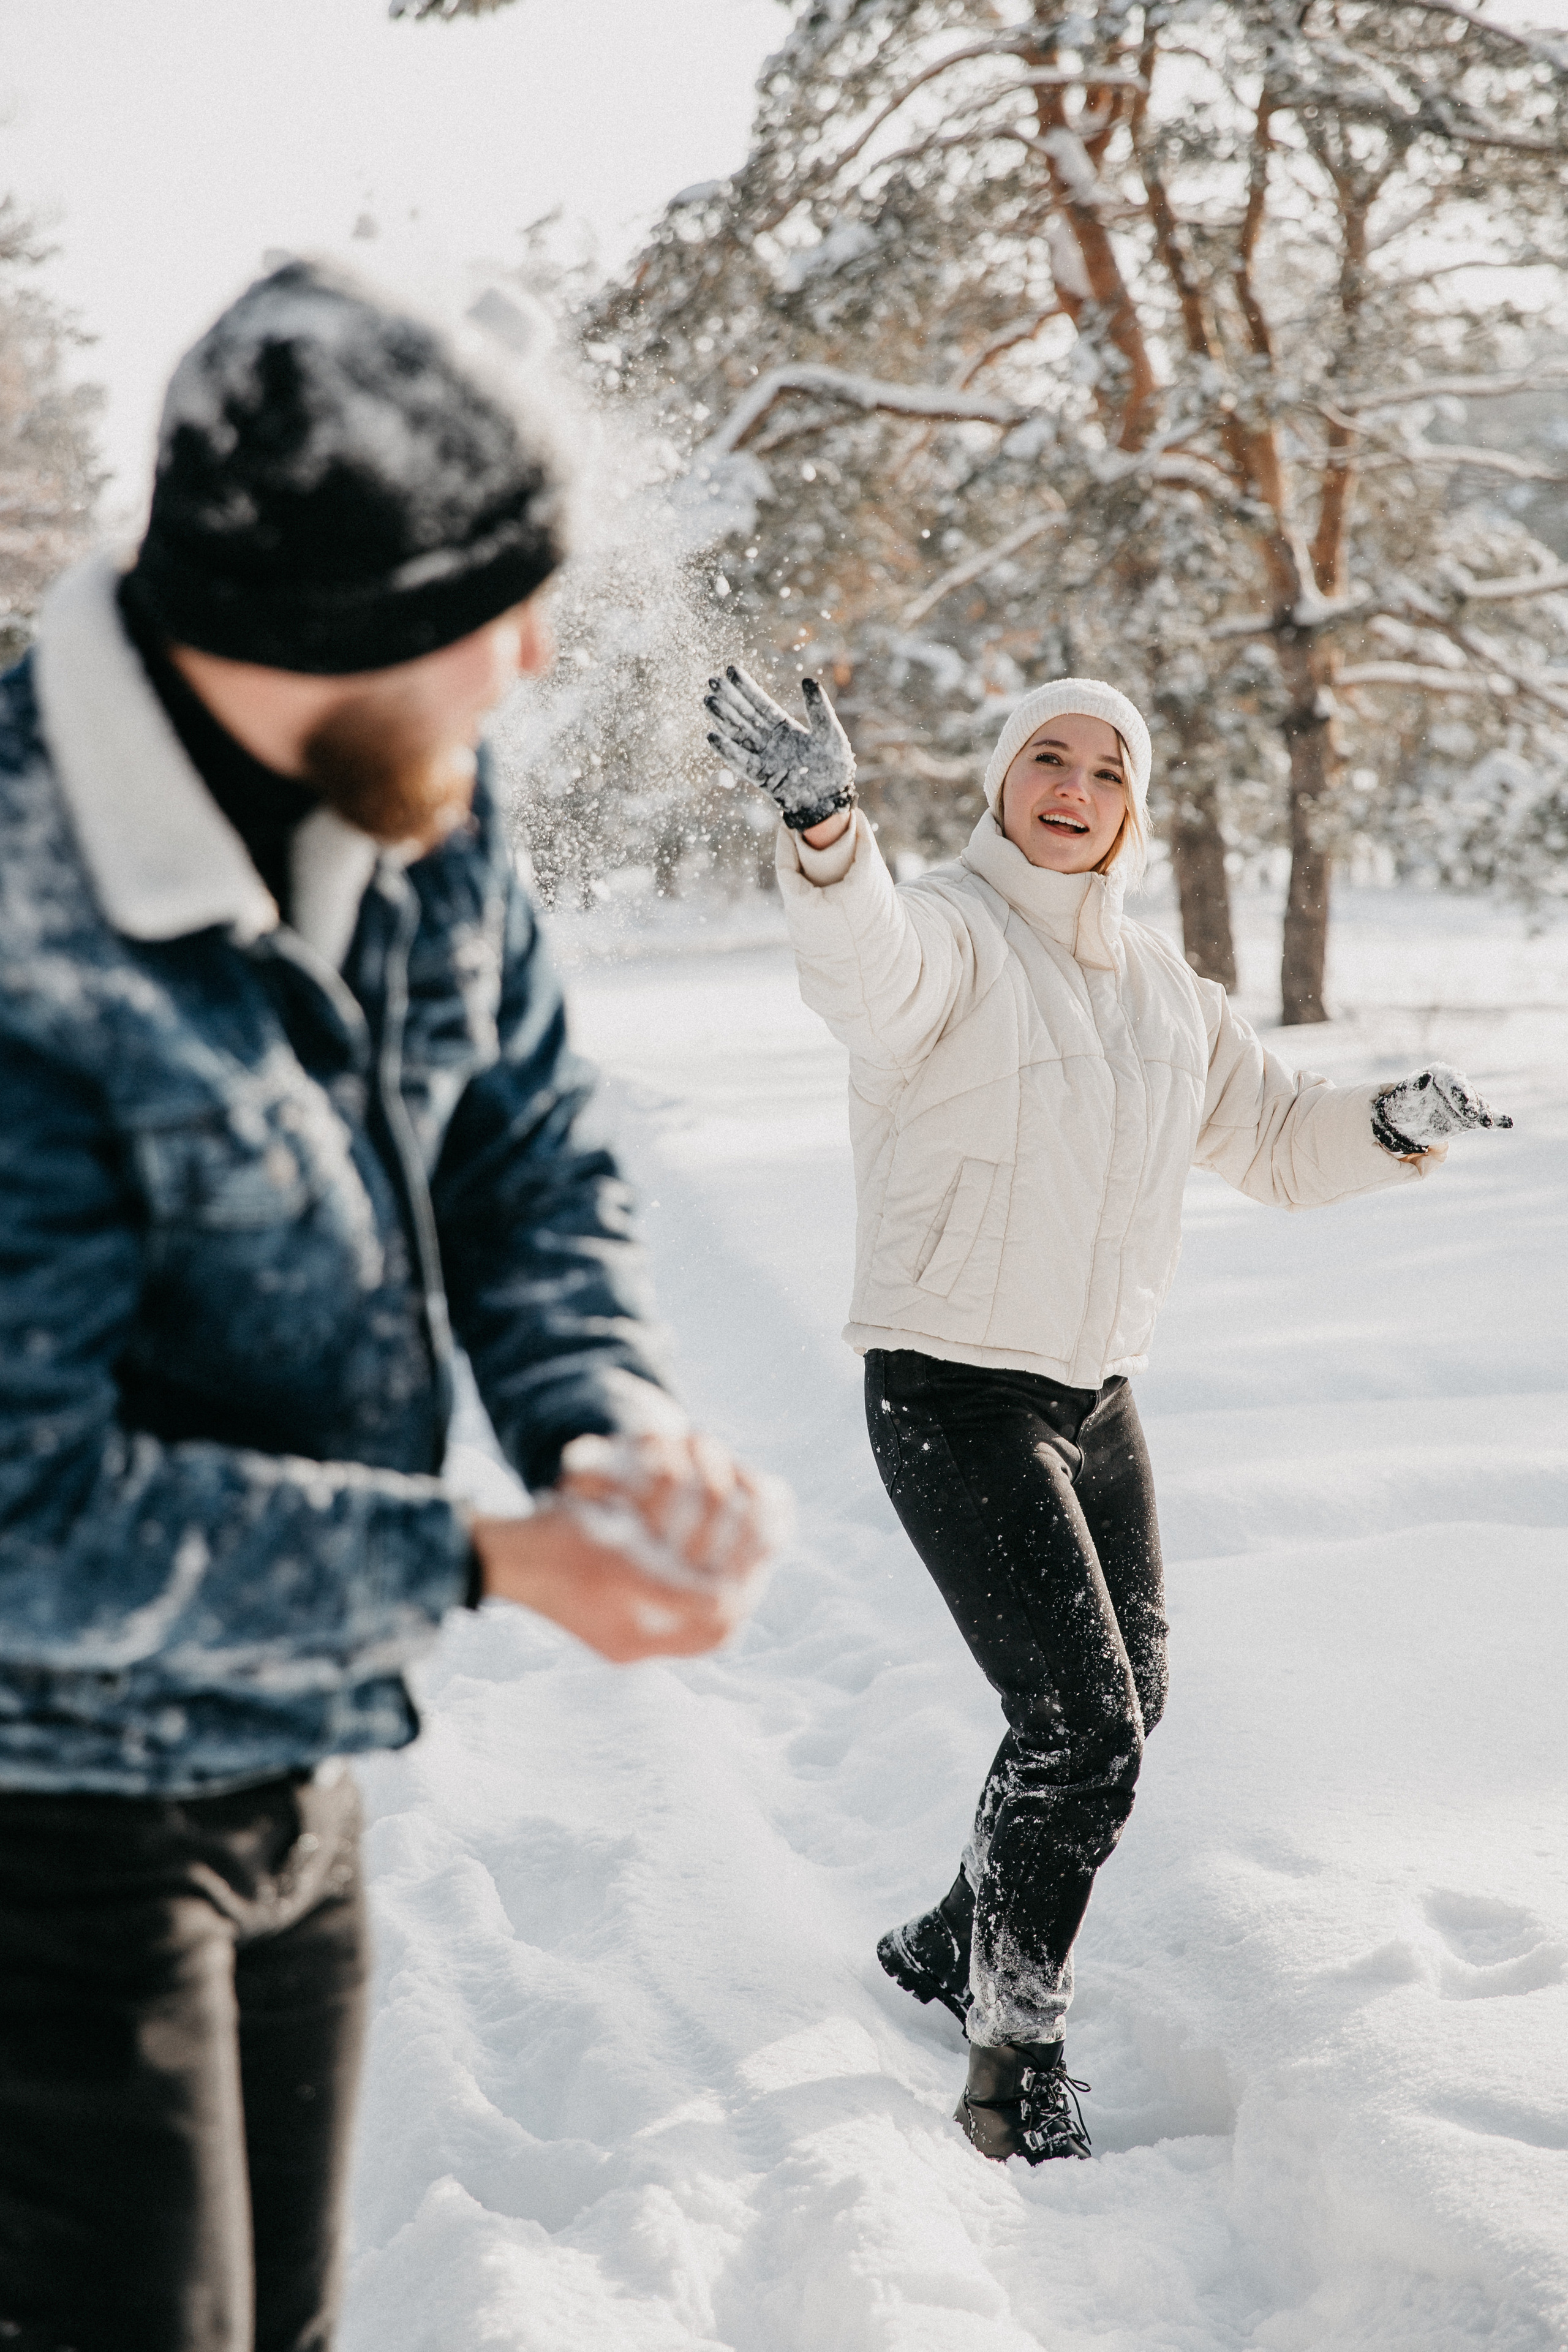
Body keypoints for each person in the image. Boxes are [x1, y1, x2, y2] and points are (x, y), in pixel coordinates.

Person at [0, 261, 780, 2352]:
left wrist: (598, 1408)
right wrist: (473, 1554)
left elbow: (524, 1138)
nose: (531, 664)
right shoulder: (24, 931)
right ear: (329, 623)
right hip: (41, 1832)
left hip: (292, 1770)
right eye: (494, 611)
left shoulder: (409, 785)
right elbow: (20, 1523)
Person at [703, 661, 1510, 2168]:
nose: (1071, 791)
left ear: (1133, 806)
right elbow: (863, 971)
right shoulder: (945, 932)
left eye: (1105, 771)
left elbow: (1275, 1138)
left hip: (1092, 1393)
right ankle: (1015, 2052)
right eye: (1045, 762)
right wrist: (827, 827)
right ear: (1002, 780)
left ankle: (956, 1938)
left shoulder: (1162, 993)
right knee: (1083, 1734)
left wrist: (1390, 1119)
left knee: (1123, 1708)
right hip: (948, 1386)